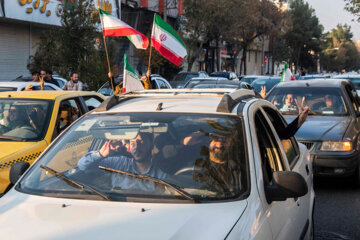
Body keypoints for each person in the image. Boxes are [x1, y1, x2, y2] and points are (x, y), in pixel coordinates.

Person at [78, 132, 166, 191]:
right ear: (129, 147)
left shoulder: (162, 170)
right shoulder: (119, 163)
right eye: (133, 143)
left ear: (151, 145)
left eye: (141, 142)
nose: (136, 147)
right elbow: (83, 166)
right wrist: (100, 154)